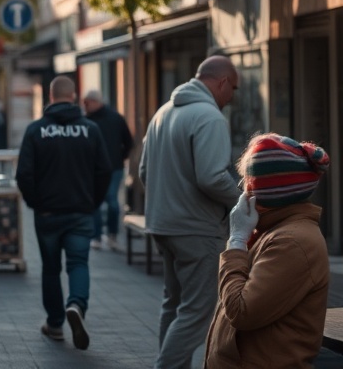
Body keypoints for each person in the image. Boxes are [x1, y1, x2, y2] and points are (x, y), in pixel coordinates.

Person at [139, 55, 241, 369]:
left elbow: (145, 171)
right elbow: (211, 177)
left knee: (174, 304)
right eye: (233, 88)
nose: (232, 97)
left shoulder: (162, 113)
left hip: (162, 224)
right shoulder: (209, 117)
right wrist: (243, 200)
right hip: (195, 228)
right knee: (196, 310)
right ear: (222, 82)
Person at [204, 133, 330, 369]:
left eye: (247, 181)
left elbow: (241, 311)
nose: (242, 189)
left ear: (260, 192)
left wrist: (238, 240)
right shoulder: (273, 230)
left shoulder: (292, 242)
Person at [16, 75, 111, 351]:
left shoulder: (36, 130)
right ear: (74, 96)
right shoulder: (90, 129)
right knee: (78, 262)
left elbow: (24, 173)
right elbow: (104, 170)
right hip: (81, 210)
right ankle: (77, 305)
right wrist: (92, 201)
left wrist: (36, 202)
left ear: (50, 96)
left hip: (47, 213)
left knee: (50, 268)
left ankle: (55, 324)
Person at [82, 89, 134, 251]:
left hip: (113, 167)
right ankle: (97, 236)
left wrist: (119, 158)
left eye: (87, 102)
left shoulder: (115, 118)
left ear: (95, 101)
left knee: (111, 201)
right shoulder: (85, 120)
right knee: (97, 202)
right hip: (95, 168)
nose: (84, 106)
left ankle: (111, 235)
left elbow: (129, 142)